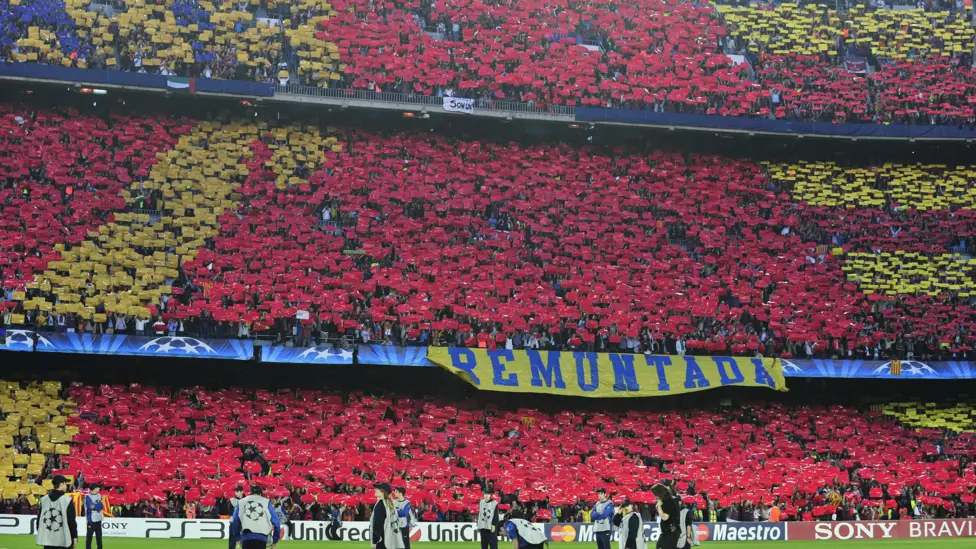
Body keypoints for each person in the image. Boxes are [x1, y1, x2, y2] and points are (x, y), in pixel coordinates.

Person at [37, 475, 78, 549]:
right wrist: (74, 536)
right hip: (64, 539)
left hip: (48, 540)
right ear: (61, 484)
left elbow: (39, 520)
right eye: (65, 483)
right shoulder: (67, 500)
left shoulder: (43, 500)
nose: (66, 485)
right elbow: (71, 521)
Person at [370, 483, 405, 549]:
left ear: (383, 492)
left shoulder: (380, 504)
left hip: (382, 540)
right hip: (391, 538)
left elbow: (377, 524)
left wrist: (375, 541)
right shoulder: (390, 503)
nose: (375, 490)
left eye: (378, 489)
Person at [652, 484, 680, 549]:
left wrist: (659, 505)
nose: (655, 496)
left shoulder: (669, 501)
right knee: (659, 546)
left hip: (671, 532)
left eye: (655, 494)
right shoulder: (667, 500)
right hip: (667, 532)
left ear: (659, 493)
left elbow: (665, 517)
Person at [84, 483, 105, 549]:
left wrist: (97, 506)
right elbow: (90, 506)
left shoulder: (99, 495)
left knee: (99, 538)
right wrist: (98, 507)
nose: (99, 489)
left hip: (99, 519)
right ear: (95, 488)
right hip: (91, 520)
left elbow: (101, 505)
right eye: (98, 487)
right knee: (89, 538)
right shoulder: (87, 496)